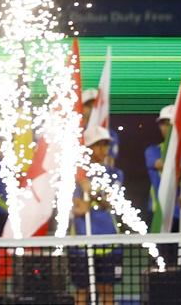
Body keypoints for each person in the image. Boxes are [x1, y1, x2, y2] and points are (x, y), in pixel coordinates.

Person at [145, 105, 181, 268]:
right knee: (163, 264)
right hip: (162, 214)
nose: (167, 128)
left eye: (172, 123)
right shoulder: (153, 151)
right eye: (164, 123)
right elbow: (162, 165)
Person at [71, 126, 122, 305]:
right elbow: (74, 208)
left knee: (106, 290)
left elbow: (109, 203)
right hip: (81, 244)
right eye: (98, 145)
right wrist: (77, 207)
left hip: (109, 243)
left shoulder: (115, 174)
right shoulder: (74, 175)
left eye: (105, 145)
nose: (103, 150)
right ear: (88, 148)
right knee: (81, 291)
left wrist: (90, 191)